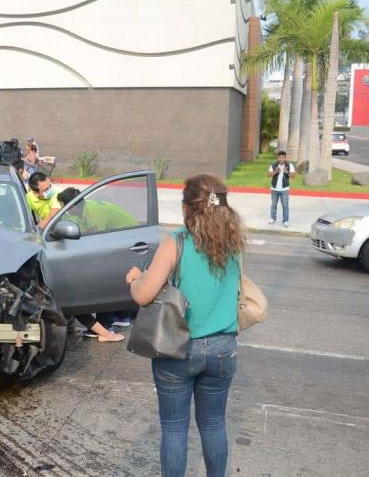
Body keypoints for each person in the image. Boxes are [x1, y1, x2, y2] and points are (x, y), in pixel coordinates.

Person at [126, 174, 245, 477]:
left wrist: (134, 278)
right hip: (223, 348)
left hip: (178, 347)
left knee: (175, 429)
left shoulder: (176, 242)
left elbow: (144, 295)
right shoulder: (234, 243)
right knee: (214, 424)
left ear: (187, 208)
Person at [55, 187, 126, 342]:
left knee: (102, 280)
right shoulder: (81, 210)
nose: (63, 210)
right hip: (114, 240)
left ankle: (106, 326)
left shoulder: (95, 213)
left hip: (125, 240)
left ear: (72, 205)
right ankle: (112, 321)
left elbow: (96, 241)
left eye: (64, 206)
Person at [267, 150, 295, 228]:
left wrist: (287, 172)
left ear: (285, 158)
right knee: (273, 205)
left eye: (283, 157)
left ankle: (285, 221)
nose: (281, 159)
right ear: (277, 158)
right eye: (279, 157)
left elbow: (293, 176)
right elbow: (268, 175)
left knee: (285, 206)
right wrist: (275, 171)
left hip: (284, 189)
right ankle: (273, 218)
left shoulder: (289, 165)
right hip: (274, 189)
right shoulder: (273, 165)